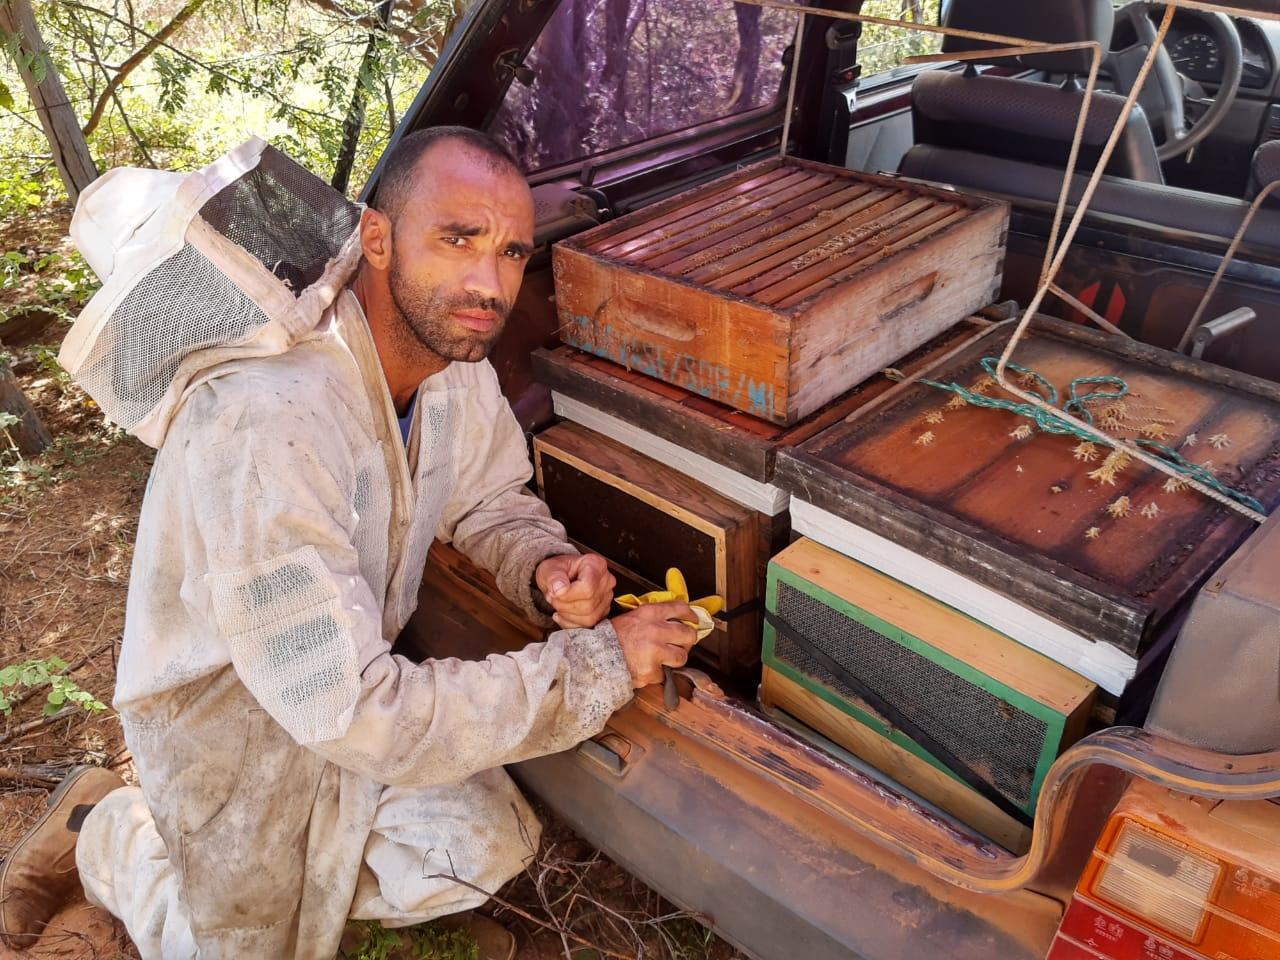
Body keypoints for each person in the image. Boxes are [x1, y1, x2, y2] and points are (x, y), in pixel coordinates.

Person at [0, 127, 699, 960]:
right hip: (229, 736)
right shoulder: (267, 423)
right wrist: (602, 662)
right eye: (458, 238)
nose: (491, 282)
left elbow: (487, 497)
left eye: (513, 251)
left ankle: (293, 892)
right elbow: (363, 715)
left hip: (341, 691)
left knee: (486, 846)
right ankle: (114, 837)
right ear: (376, 238)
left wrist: (542, 567)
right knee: (245, 947)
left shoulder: (452, 355)